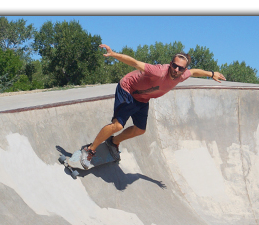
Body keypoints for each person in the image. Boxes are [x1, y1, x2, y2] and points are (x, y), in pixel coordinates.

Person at [80, 45, 226, 168]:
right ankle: (90, 149)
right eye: (174, 66)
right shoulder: (158, 71)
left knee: (140, 130)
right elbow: (135, 63)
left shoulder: (183, 75)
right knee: (118, 126)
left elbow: (194, 72)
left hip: (143, 98)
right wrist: (114, 54)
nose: (176, 70)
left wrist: (211, 73)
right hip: (128, 90)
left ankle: (113, 142)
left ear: (184, 70)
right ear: (170, 63)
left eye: (180, 68)